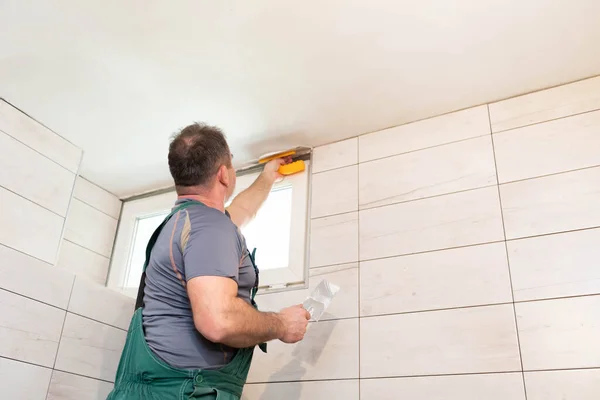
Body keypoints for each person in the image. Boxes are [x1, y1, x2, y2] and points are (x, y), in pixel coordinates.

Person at [107, 123, 310, 399]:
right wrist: (282, 325)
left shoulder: (186, 222)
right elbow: (219, 321)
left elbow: (242, 210)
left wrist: (267, 177)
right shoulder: (210, 228)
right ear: (223, 174)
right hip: (182, 391)